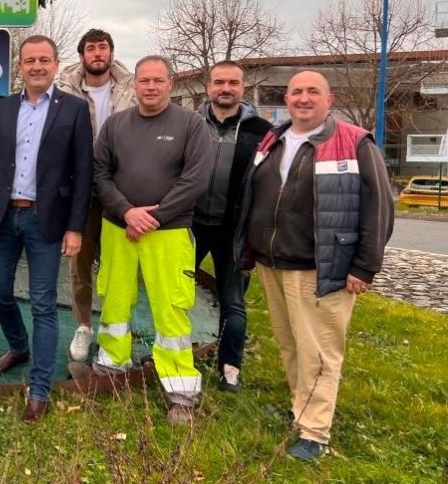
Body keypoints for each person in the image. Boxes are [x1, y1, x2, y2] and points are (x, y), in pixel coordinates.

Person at [235, 70, 393, 460]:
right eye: (296, 92)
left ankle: (315, 432)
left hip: (320, 267)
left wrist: (364, 266)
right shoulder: (274, 140)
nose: (303, 98)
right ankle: (300, 408)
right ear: (286, 99)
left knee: (318, 350)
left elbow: (378, 207)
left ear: (329, 99)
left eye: (313, 91)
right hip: (274, 262)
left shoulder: (354, 142)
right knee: (290, 343)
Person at [0, 35, 93, 423]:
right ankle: (18, 346)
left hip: (47, 220)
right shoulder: (3, 107)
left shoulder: (74, 109)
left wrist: (75, 227)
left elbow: (83, 173)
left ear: (56, 64)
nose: (37, 66)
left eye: (44, 59)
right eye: (29, 60)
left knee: (43, 304)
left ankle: (39, 387)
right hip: (3, 217)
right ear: (20, 66)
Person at [89, 56, 213, 427]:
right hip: (118, 228)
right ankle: (111, 365)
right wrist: (126, 212)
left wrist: (153, 218)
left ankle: (181, 392)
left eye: (158, 80)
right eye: (144, 80)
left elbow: (196, 179)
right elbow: (100, 173)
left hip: (169, 231)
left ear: (170, 84)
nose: (151, 87)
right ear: (135, 84)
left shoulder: (190, 124)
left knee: (171, 307)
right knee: (114, 298)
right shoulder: (116, 124)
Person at [57, 28, 136, 362]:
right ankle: (84, 326)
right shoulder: (64, 91)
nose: (98, 53)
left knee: (119, 265)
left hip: (120, 189)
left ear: (111, 53)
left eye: (103, 47)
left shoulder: (132, 88)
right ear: (82, 56)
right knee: (80, 265)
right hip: (80, 190)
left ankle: (115, 326)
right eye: (91, 48)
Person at [192, 61, 272, 391]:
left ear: (243, 87)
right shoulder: (190, 123)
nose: (226, 88)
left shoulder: (263, 131)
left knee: (233, 302)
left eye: (233, 83)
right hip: (191, 225)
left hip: (235, 231)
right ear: (208, 86)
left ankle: (230, 369)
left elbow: (270, 183)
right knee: (172, 295)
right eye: (219, 82)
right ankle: (168, 354)